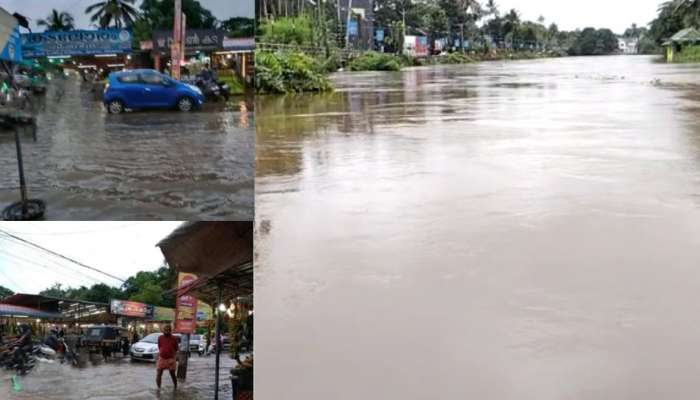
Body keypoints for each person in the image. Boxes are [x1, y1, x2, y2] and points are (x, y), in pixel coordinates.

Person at [156, 325, 178, 390]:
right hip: (162, 358)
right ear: (163, 330)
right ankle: (158, 389)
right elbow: (159, 347)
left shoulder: (174, 338)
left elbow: (176, 348)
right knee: (159, 374)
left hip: (171, 359)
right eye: (165, 329)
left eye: (168, 329)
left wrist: (172, 355)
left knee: (172, 374)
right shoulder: (160, 337)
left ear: (170, 331)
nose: (167, 331)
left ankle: (175, 387)